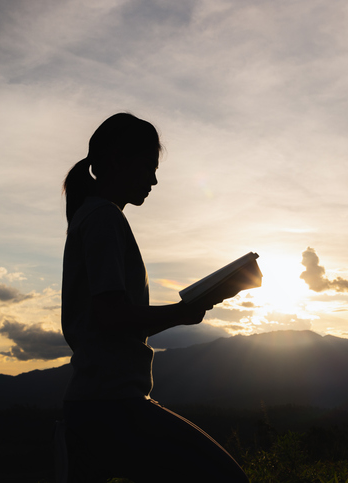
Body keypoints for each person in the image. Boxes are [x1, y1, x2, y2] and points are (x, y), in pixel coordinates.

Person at [60, 113, 249, 482]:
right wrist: (181, 312)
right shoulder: (104, 219)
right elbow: (111, 316)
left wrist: (184, 312)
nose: (154, 179)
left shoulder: (93, 216)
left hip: (95, 404)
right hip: (112, 407)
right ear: (116, 160)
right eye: (148, 166)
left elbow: (106, 322)